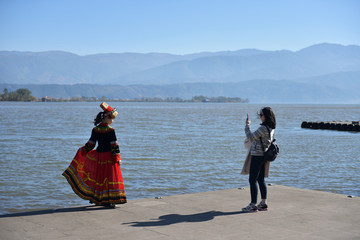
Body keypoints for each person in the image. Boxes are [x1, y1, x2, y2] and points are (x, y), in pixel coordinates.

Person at [63, 102, 127, 208]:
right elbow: (114, 145)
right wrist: (118, 158)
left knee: (101, 178)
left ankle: (100, 200)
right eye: (111, 118)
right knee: (110, 178)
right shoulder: (111, 130)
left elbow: (91, 145)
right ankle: (110, 200)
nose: (112, 121)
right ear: (106, 118)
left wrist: (82, 151)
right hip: (110, 158)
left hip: (100, 157)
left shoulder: (95, 129)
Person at [241, 107, 276, 212]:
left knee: (252, 180)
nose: (260, 117)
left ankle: (253, 205)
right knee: (261, 180)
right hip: (264, 156)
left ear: (266, 116)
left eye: (261, 115)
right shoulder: (271, 128)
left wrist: (247, 126)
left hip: (257, 156)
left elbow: (250, 137)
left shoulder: (263, 129)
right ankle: (263, 203)